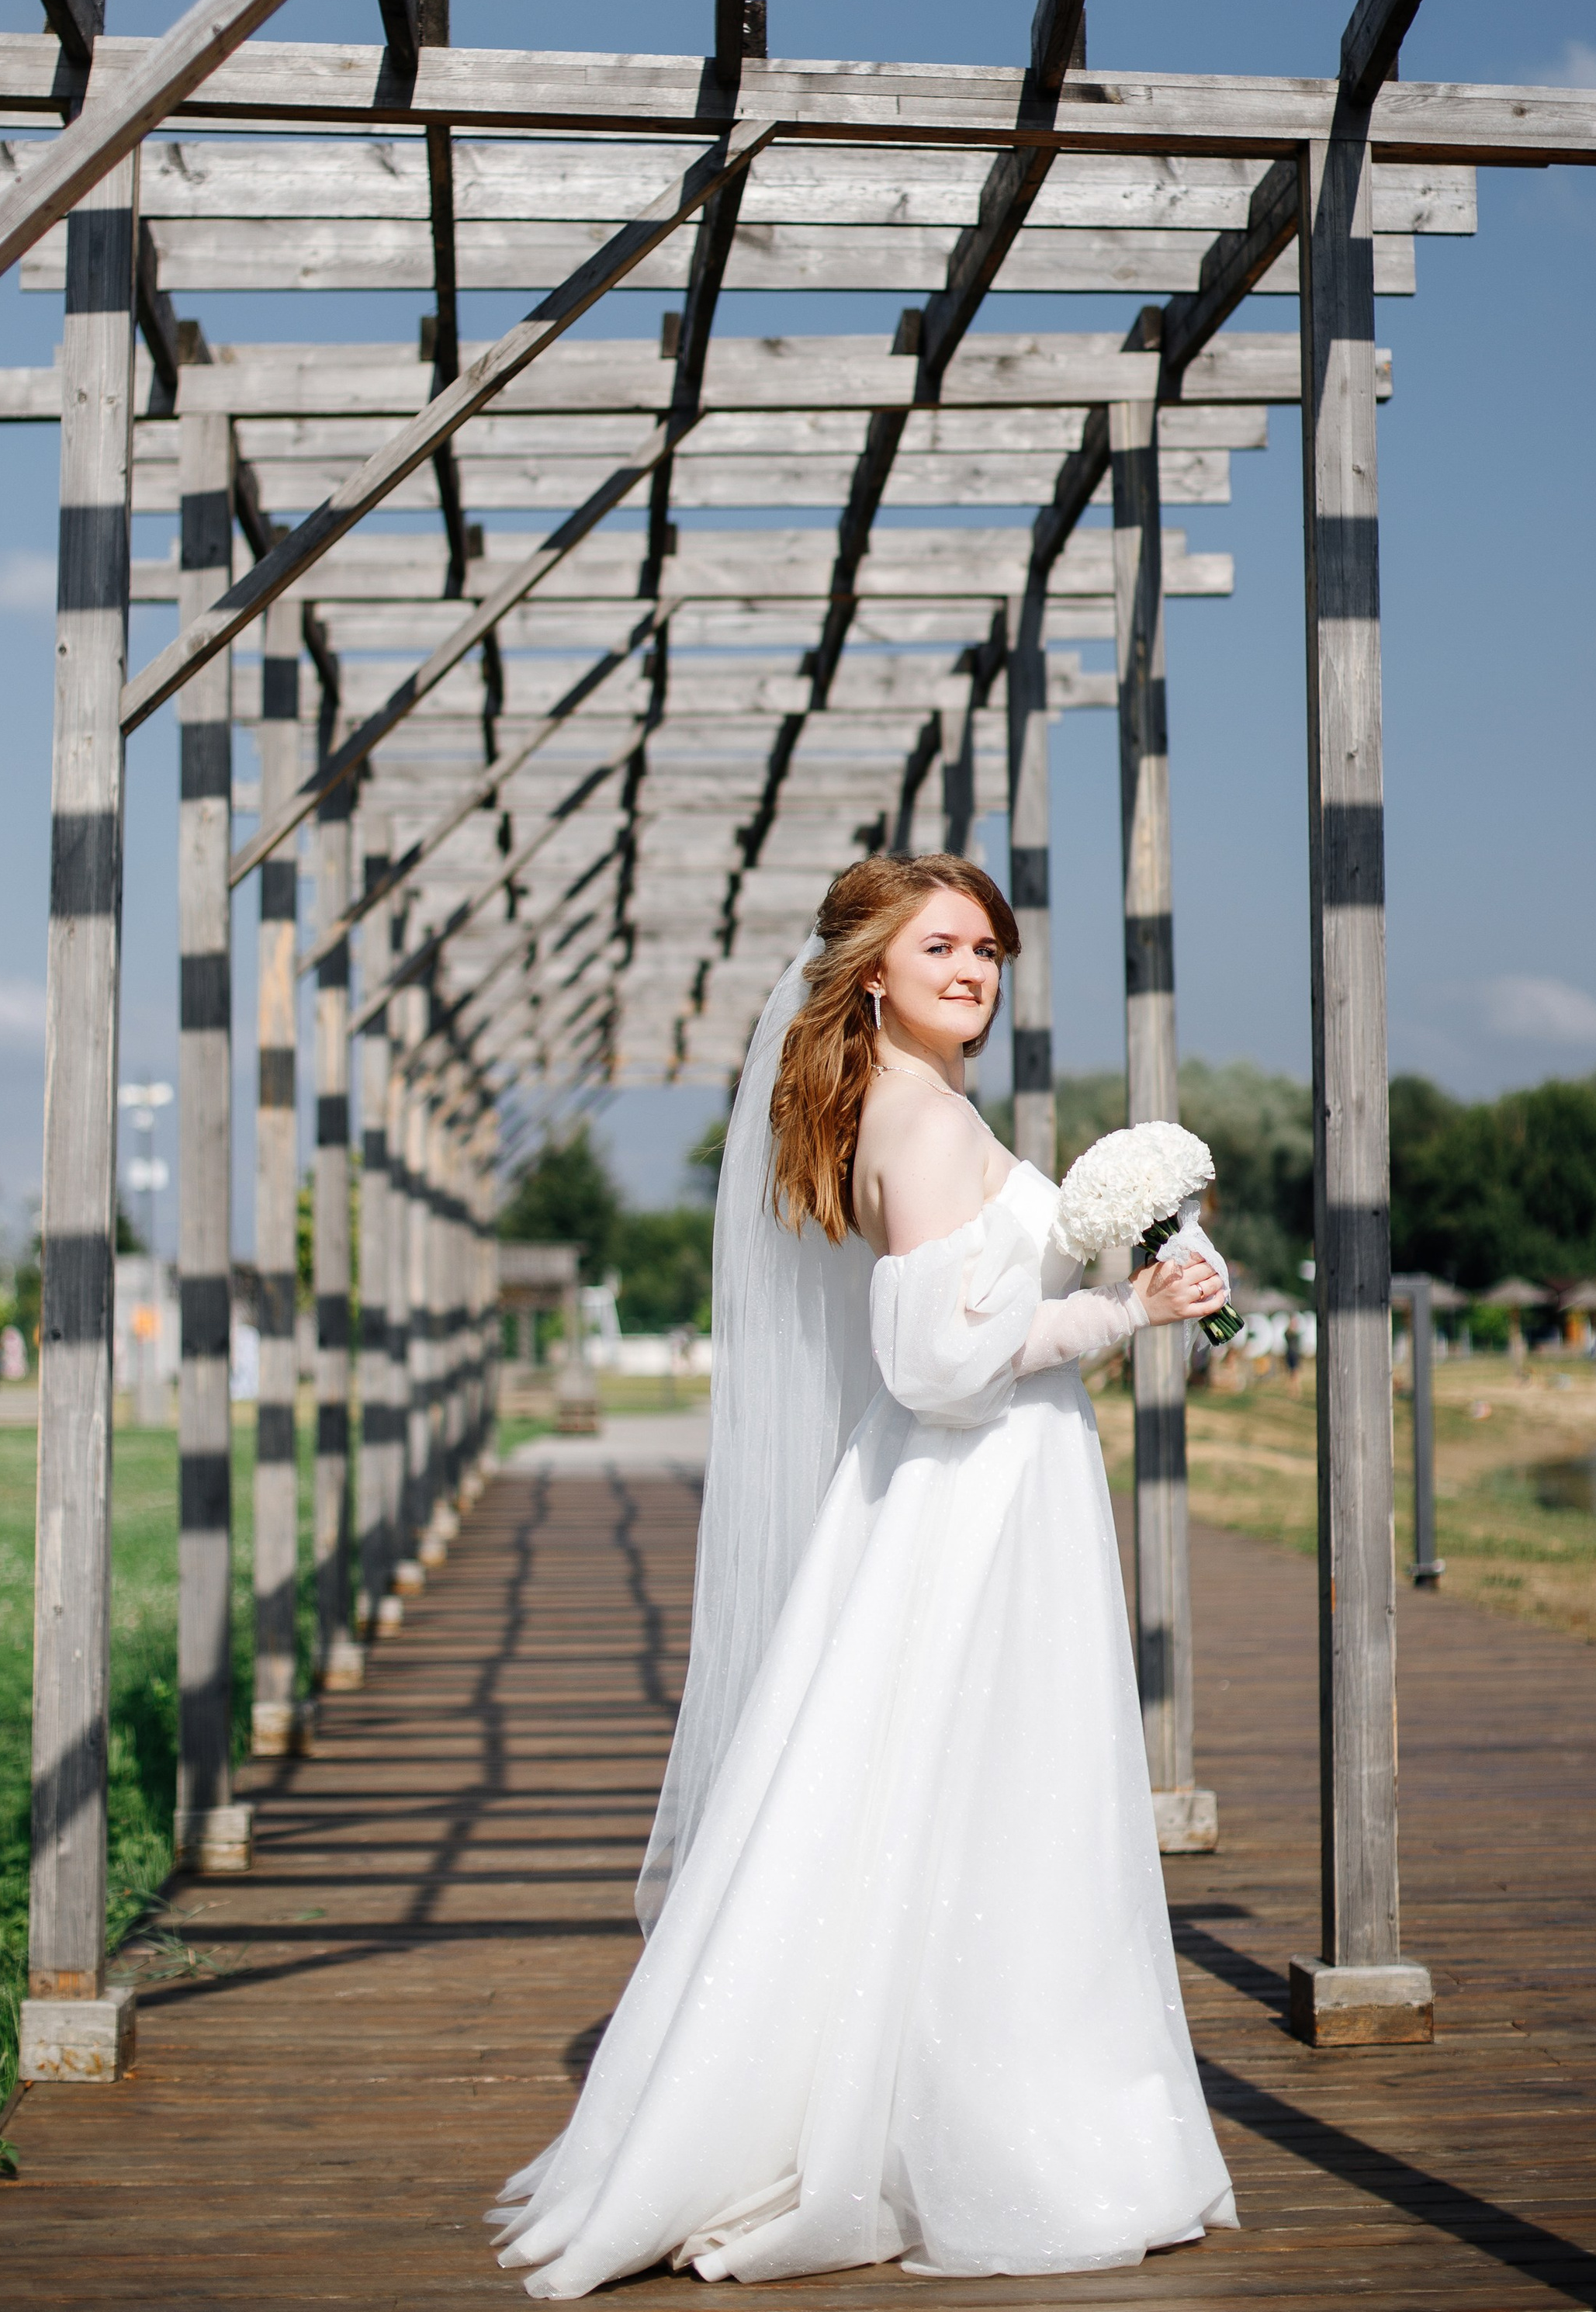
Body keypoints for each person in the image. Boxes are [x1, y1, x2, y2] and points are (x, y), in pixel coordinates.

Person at [491, 855, 1238, 2296]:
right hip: (972, 1498)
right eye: (943, 946)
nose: (974, 969)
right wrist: (1116, 1310)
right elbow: (935, 1367)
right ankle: (981, 2135)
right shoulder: (918, 1116)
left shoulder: (919, 1109)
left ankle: (938, 2102)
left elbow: (959, 1316)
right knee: (989, 1796)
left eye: (989, 949)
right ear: (875, 973)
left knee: (958, 1800)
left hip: (985, 1499)